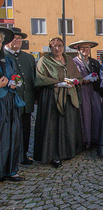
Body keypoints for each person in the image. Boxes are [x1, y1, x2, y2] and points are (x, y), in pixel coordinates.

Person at [33, 37, 83, 168]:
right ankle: (53, 155)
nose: (57, 48)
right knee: (53, 126)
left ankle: (67, 151)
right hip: (51, 97)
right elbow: (40, 78)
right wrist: (58, 83)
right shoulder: (44, 60)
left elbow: (78, 76)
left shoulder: (69, 60)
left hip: (68, 96)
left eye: (60, 45)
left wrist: (75, 82)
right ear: (50, 47)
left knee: (67, 125)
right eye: (54, 46)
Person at [4, 27, 36, 165]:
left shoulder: (28, 57)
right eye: (14, 38)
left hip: (26, 100)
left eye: (19, 38)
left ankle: (23, 155)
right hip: (8, 101)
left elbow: (34, 78)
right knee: (10, 131)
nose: (17, 41)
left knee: (26, 130)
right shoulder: (3, 56)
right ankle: (10, 158)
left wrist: (36, 97)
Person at [0, 27, 25, 182]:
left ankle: (10, 170)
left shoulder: (7, 60)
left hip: (9, 100)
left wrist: (16, 82)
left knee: (12, 135)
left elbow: (16, 77)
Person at [69, 40, 102, 148]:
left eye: (87, 48)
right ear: (78, 50)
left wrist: (96, 78)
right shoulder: (73, 62)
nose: (85, 50)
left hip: (93, 91)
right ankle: (84, 140)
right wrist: (83, 79)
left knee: (96, 113)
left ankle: (95, 138)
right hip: (81, 91)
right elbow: (70, 78)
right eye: (82, 48)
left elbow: (100, 75)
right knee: (85, 115)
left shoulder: (94, 62)